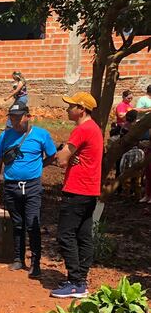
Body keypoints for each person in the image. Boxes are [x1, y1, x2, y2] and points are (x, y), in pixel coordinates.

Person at [0, 101, 57, 277]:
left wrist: (39, 166)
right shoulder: (5, 136)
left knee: (32, 224)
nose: (15, 122)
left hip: (32, 186)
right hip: (11, 186)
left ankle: (35, 263)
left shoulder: (41, 135)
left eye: (18, 118)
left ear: (27, 116)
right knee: (17, 224)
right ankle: (19, 258)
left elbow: (52, 155)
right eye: (12, 118)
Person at [51, 92, 104, 299]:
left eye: (71, 105)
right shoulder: (95, 129)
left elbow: (61, 160)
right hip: (90, 190)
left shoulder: (81, 130)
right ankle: (80, 279)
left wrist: (64, 152)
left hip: (76, 189)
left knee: (65, 235)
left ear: (81, 109)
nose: (67, 109)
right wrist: (68, 153)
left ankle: (75, 282)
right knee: (83, 236)